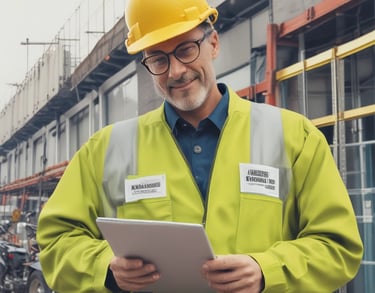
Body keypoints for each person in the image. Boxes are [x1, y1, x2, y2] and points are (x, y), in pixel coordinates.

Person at [37, 0, 363, 292]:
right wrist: (105, 268)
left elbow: (338, 246)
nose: (176, 71)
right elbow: (56, 241)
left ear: (214, 43)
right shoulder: (106, 149)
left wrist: (267, 271)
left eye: (186, 49)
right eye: (158, 59)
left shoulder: (294, 137)